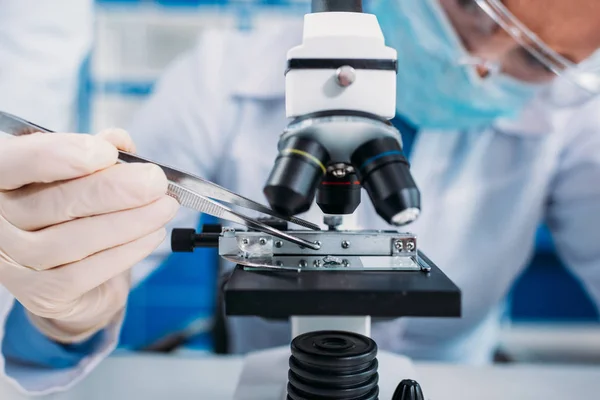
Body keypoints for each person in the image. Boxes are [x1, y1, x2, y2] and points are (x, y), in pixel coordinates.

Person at [2, 0, 600, 395]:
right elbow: (90, 265)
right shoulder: (220, 75)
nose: (481, 67)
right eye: (473, 7)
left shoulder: (572, 124)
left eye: (536, 58)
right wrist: (66, 306)